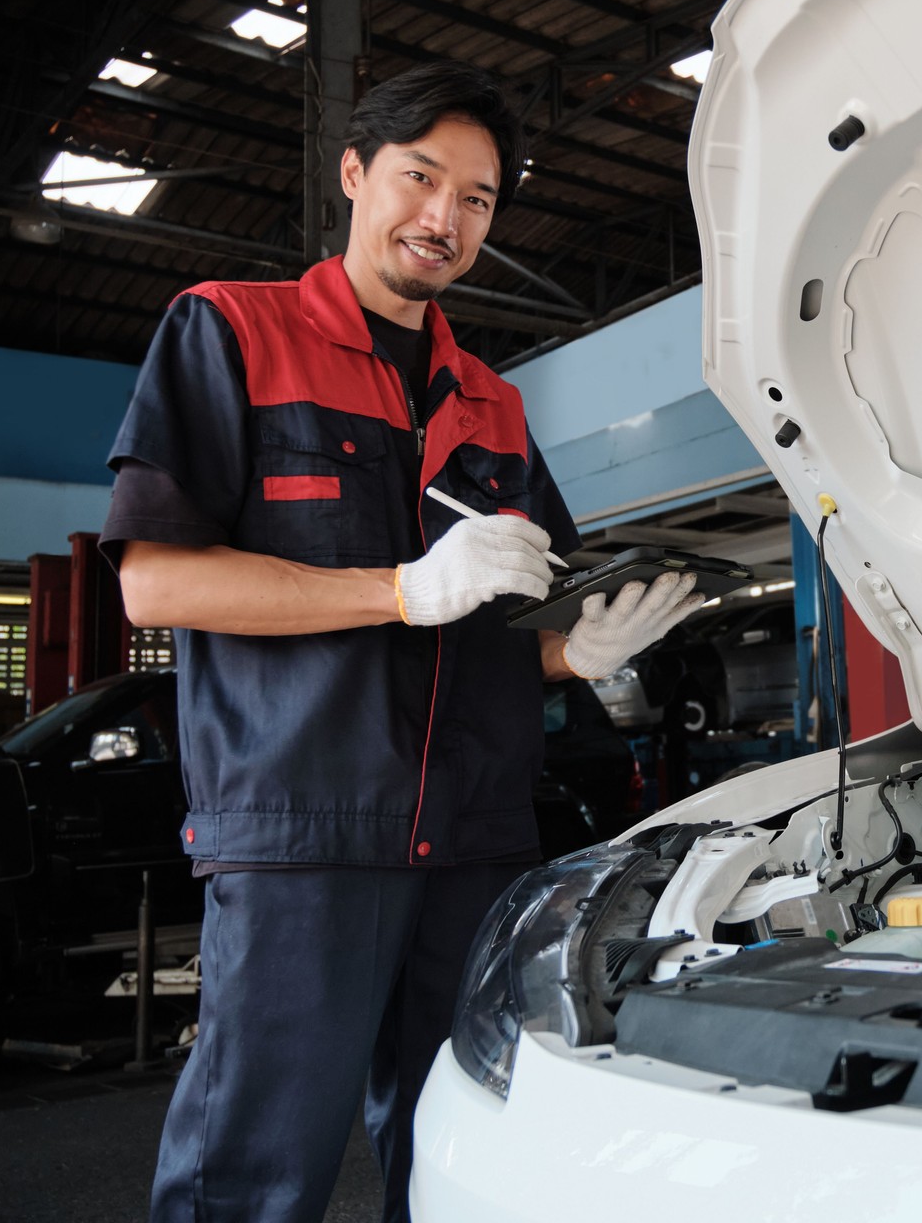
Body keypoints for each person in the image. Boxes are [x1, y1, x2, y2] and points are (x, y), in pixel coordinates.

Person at [99, 62, 701, 1223]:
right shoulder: (231, 332)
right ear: (355, 173)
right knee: (252, 1173)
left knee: (462, 1166)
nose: (445, 217)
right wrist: (399, 588)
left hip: (474, 845)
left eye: (477, 199)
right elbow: (156, 580)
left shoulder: (494, 403)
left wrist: (581, 652)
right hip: (303, 837)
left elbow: (498, 640)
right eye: (421, 178)